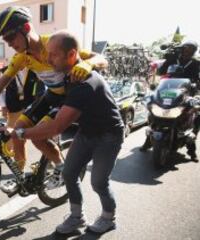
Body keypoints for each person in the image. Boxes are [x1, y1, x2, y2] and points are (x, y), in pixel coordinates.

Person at [0, 6, 108, 194]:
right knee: (18, 128)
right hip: (50, 95)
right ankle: (20, 176)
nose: (8, 44)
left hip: (66, 99)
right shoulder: (21, 58)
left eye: (10, 37)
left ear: (26, 28)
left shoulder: (53, 44)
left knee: (36, 136)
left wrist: (89, 63)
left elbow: (101, 57)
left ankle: (60, 167)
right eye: (4, 40)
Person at [8, 31, 124, 234]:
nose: (48, 59)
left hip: (109, 136)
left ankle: (108, 217)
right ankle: (76, 217)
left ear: (71, 55)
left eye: (53, 55)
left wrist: (20, 133)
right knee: (69, 174)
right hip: (87, 132)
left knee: (98, 182)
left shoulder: (85, 83)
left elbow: (56, 128)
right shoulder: (68, 76)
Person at [140, 40, 200, 161]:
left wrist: (196, 88)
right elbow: (161, 72)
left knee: (196, 113)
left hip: (187, 92)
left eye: (190, 49)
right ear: (182, 49)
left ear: (194, 51)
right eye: (186, 49)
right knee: (154, 110)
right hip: (168, 90)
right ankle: (148, 140)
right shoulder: (173, 59)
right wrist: (167, 60)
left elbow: (198, 79)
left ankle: (191, 148)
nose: (187, 51)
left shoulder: (195, 63)